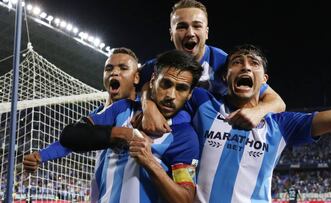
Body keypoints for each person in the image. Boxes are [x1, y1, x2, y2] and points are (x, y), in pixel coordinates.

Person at [184, 44, 331, 202]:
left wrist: (259, 111)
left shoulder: (282, 125)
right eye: (237, 62)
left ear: (264, 80)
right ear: (224, 76)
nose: (246, 67)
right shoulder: (203, 102)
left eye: (254, 63)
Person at [59, 50, 203, 203]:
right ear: (153, 80)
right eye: (165, 84)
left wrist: (149, 161)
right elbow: (69, 136)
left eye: (181, 88)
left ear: (189, 94)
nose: (170, 95)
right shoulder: (123, 109)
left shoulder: (185, 136)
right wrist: (125, 134)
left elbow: (185, 199)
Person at [138, 0, 286, 135]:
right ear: (171, 34)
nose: (190, 33)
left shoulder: (224, 63)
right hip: (176, 136)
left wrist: (257, 111)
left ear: (206, 32)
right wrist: (147, 106)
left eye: (197, 26)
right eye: (182, 27)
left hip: (216, 138)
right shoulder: (158, 66)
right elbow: (132, 89)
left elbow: (277, 102)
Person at [22, 47, 140, 172]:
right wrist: (41, 155)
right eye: (109, 69)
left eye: (123, 68)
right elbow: (70, 141)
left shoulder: (144, 109)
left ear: (136, 77)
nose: (114, 72)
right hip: (105, 190)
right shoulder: (98, 114)